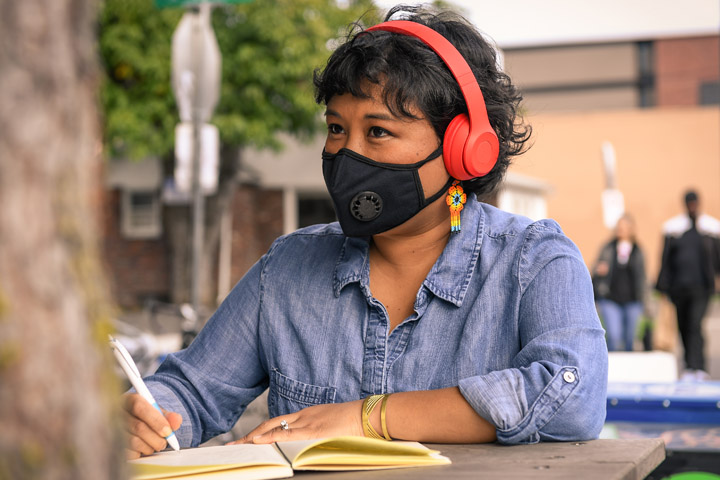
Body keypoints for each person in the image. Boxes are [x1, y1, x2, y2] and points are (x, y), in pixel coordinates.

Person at [122, 5, 608, 459]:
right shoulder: (287, 267)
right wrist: (147, 416)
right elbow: (192, 389)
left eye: (377, 131)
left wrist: (366, 418)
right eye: (336, 129)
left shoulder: (534, 261)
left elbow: (574, 396)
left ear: (465, 150)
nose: (347, 154)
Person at [656, 190, 720, 382]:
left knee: (695, 324)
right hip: (679, 288)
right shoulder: (674, 229)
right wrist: (662, 287)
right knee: (683, 326)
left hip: (701, 288)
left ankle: (699, 365)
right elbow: (666, 260)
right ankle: (689, 366)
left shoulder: (710, 229)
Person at [592, 215, 647, 351]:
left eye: (623, 227)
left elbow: (642, 277)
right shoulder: (608, 248)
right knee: (614, 337)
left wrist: (645, 299)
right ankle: (612, 368)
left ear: (630, 229)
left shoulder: (637, 250)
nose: (620, 230)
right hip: (610, 299)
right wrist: (599, 270)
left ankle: (627, 369)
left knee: (630, 338)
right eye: (618, 227)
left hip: (633, 300)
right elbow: (594, 268)